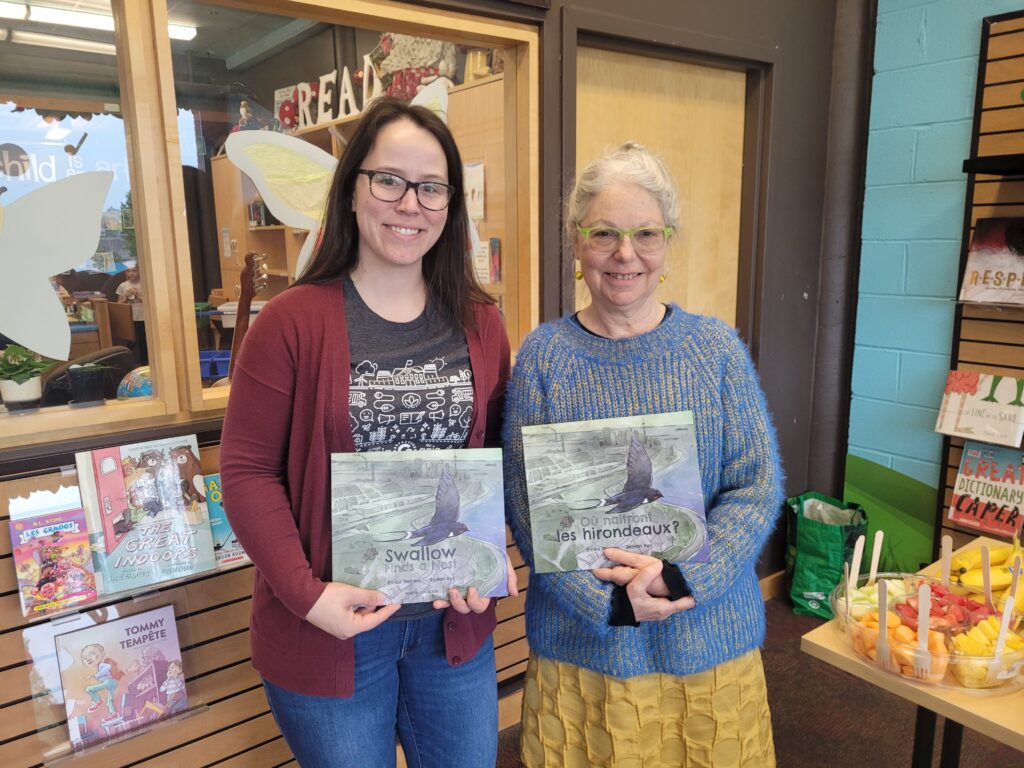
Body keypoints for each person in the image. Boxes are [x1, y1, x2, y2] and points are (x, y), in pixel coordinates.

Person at [219, 97, 514, 768]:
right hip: (330, 630)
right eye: (389, 180)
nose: (409, 203)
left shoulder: (481, 323)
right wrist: (307, 595)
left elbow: (493, 459)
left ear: (450, 204)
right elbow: (245, 472)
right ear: (352, 191)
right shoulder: (291, 323)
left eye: (431, 186)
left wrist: (493, 554)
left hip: (451, 627)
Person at [503, 142, 784, 767]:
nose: (624, 253)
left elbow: (756, 484)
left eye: (644, 234)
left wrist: (682, 577)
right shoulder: (544, 358)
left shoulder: (715, 350)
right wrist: (608, 600)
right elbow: (529, 507)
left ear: (667, 243)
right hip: (586, 649)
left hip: (708, 639)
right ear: (576, 244)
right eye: (604, 233)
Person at [116, 265, 148, 364]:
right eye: (128, 271)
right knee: (130, 342)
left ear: (139, 271)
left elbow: (151, 303)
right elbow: (118, 305)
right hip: (130, 319)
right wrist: (125, 298)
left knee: (144, 342)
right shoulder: (123, 285)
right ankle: (126, 362)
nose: (131, 273)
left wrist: (138, 296)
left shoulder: (145, 283)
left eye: (134, 270)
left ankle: (145, 363)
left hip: (143, 318)